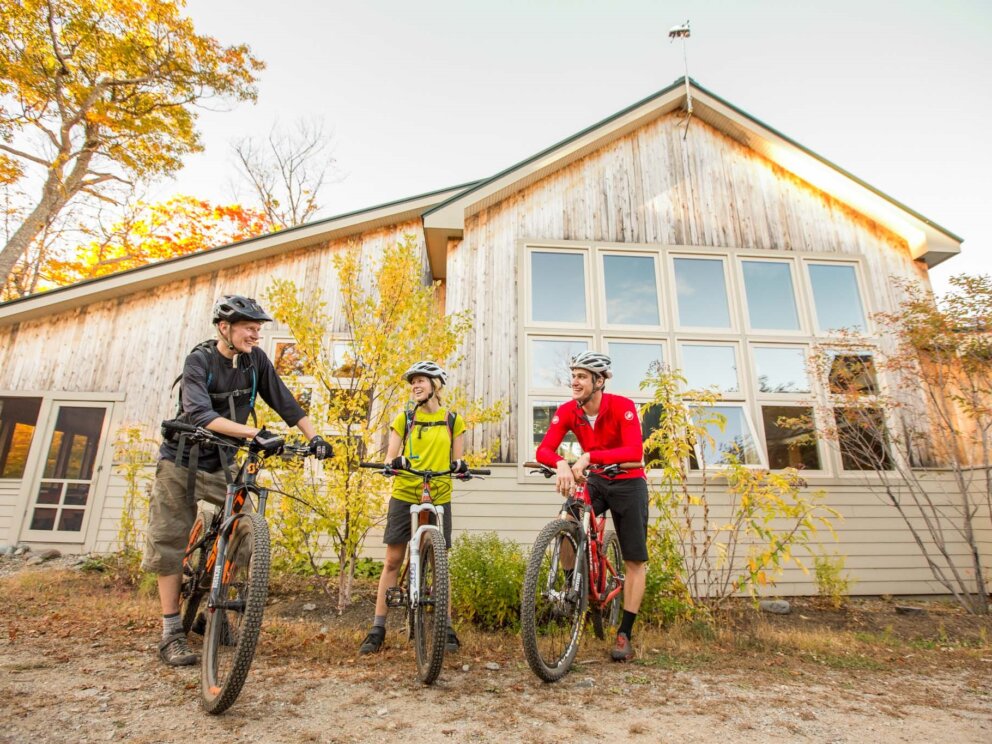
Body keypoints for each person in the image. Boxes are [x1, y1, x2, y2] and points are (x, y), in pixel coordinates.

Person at [142, 294, 332, 666]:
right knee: (169, 539)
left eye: (258, 329)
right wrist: (252, 433)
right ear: (224, 328)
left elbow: (284, 400)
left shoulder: (255, 361)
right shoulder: (200, 361)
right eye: (249, 327)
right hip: (182, 461)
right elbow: (198, 414)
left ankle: (209, 612)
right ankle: (170, 632)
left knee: (243, 533)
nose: (256, 334)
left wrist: (315, 437)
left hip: (223, 462)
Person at [535, 351, 648, 662]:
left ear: (599, 381)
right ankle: (573, 588)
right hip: (597, 481)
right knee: (567, 519)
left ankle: (624, 632)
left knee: (635, 560)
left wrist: (588, 457)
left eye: (582, 376)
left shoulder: (623, 406)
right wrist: (560, 462)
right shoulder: (569, 410)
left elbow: (634, 451)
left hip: (629, 482)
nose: (575, 381)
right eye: (574, 375)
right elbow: (543, 448)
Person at [358, 361, 468, 655]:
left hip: (438, 493)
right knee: (393, 559)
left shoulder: (453, 420)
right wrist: (392, 463)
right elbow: (390, 457)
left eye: (421, 381)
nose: (415, 386)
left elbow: (457, 461)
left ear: (436, 385)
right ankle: (377, 628)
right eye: (413, 382)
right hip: (406, 491)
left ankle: (445, 626)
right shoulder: (403, 418)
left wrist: (461, 467)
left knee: (440, 563)